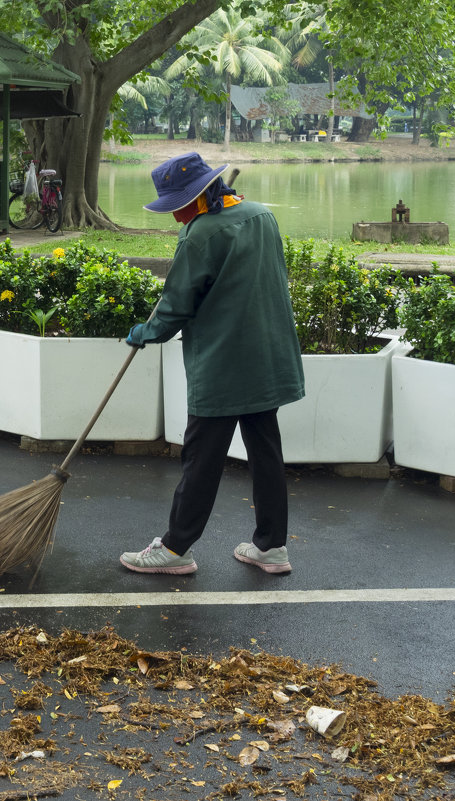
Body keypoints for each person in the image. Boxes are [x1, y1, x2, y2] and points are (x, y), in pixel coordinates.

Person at [118, 153, 305, 577]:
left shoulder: (200, 235)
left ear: (197, 197)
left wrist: (143, 334)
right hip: (266, 356)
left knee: (201, 458)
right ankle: (272, 546)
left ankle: (174, 548)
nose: (174, 215)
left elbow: (176, 307)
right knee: (265, 452)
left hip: (222, 363)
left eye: (176, 205)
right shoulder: (261, 216)